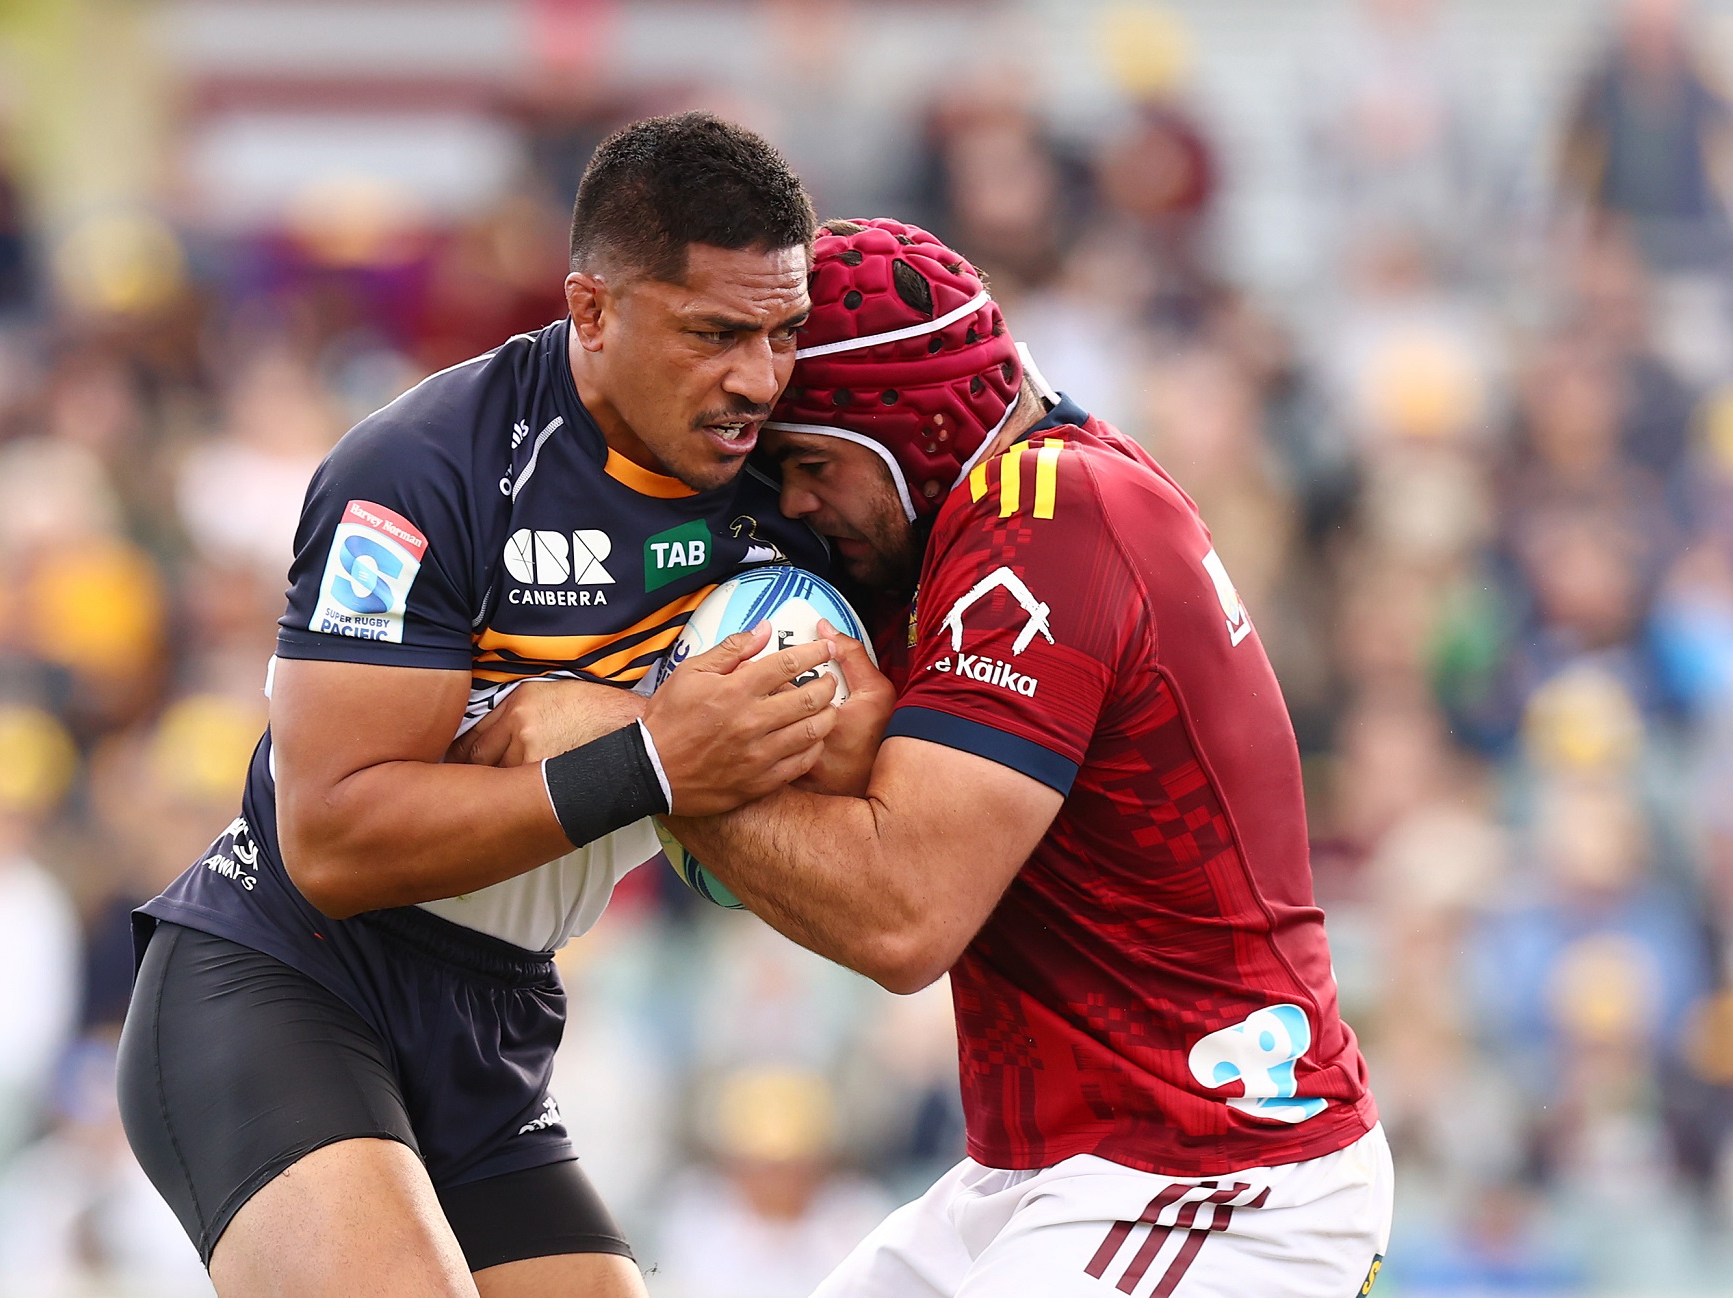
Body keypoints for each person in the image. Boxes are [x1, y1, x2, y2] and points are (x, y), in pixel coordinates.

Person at [469, 218, 1392, 1296]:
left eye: (812, 464)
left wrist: (631, 748)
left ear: (918, 430)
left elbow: (901, 912)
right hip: (1053, 1172)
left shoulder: (1047, 518)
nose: (798, 504)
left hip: (1218, 1173)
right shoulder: (1000, 507)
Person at [116, 112, 847, 1298]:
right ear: (592, 310)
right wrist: (647, 757)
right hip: (290, 980)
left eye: (782, 332)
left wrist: (605, 727)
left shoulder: (788, 481)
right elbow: (336, 838)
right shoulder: (424, 466)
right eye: (714, 333)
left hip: (498, 1015)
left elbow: (855, 740)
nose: (757, 378)